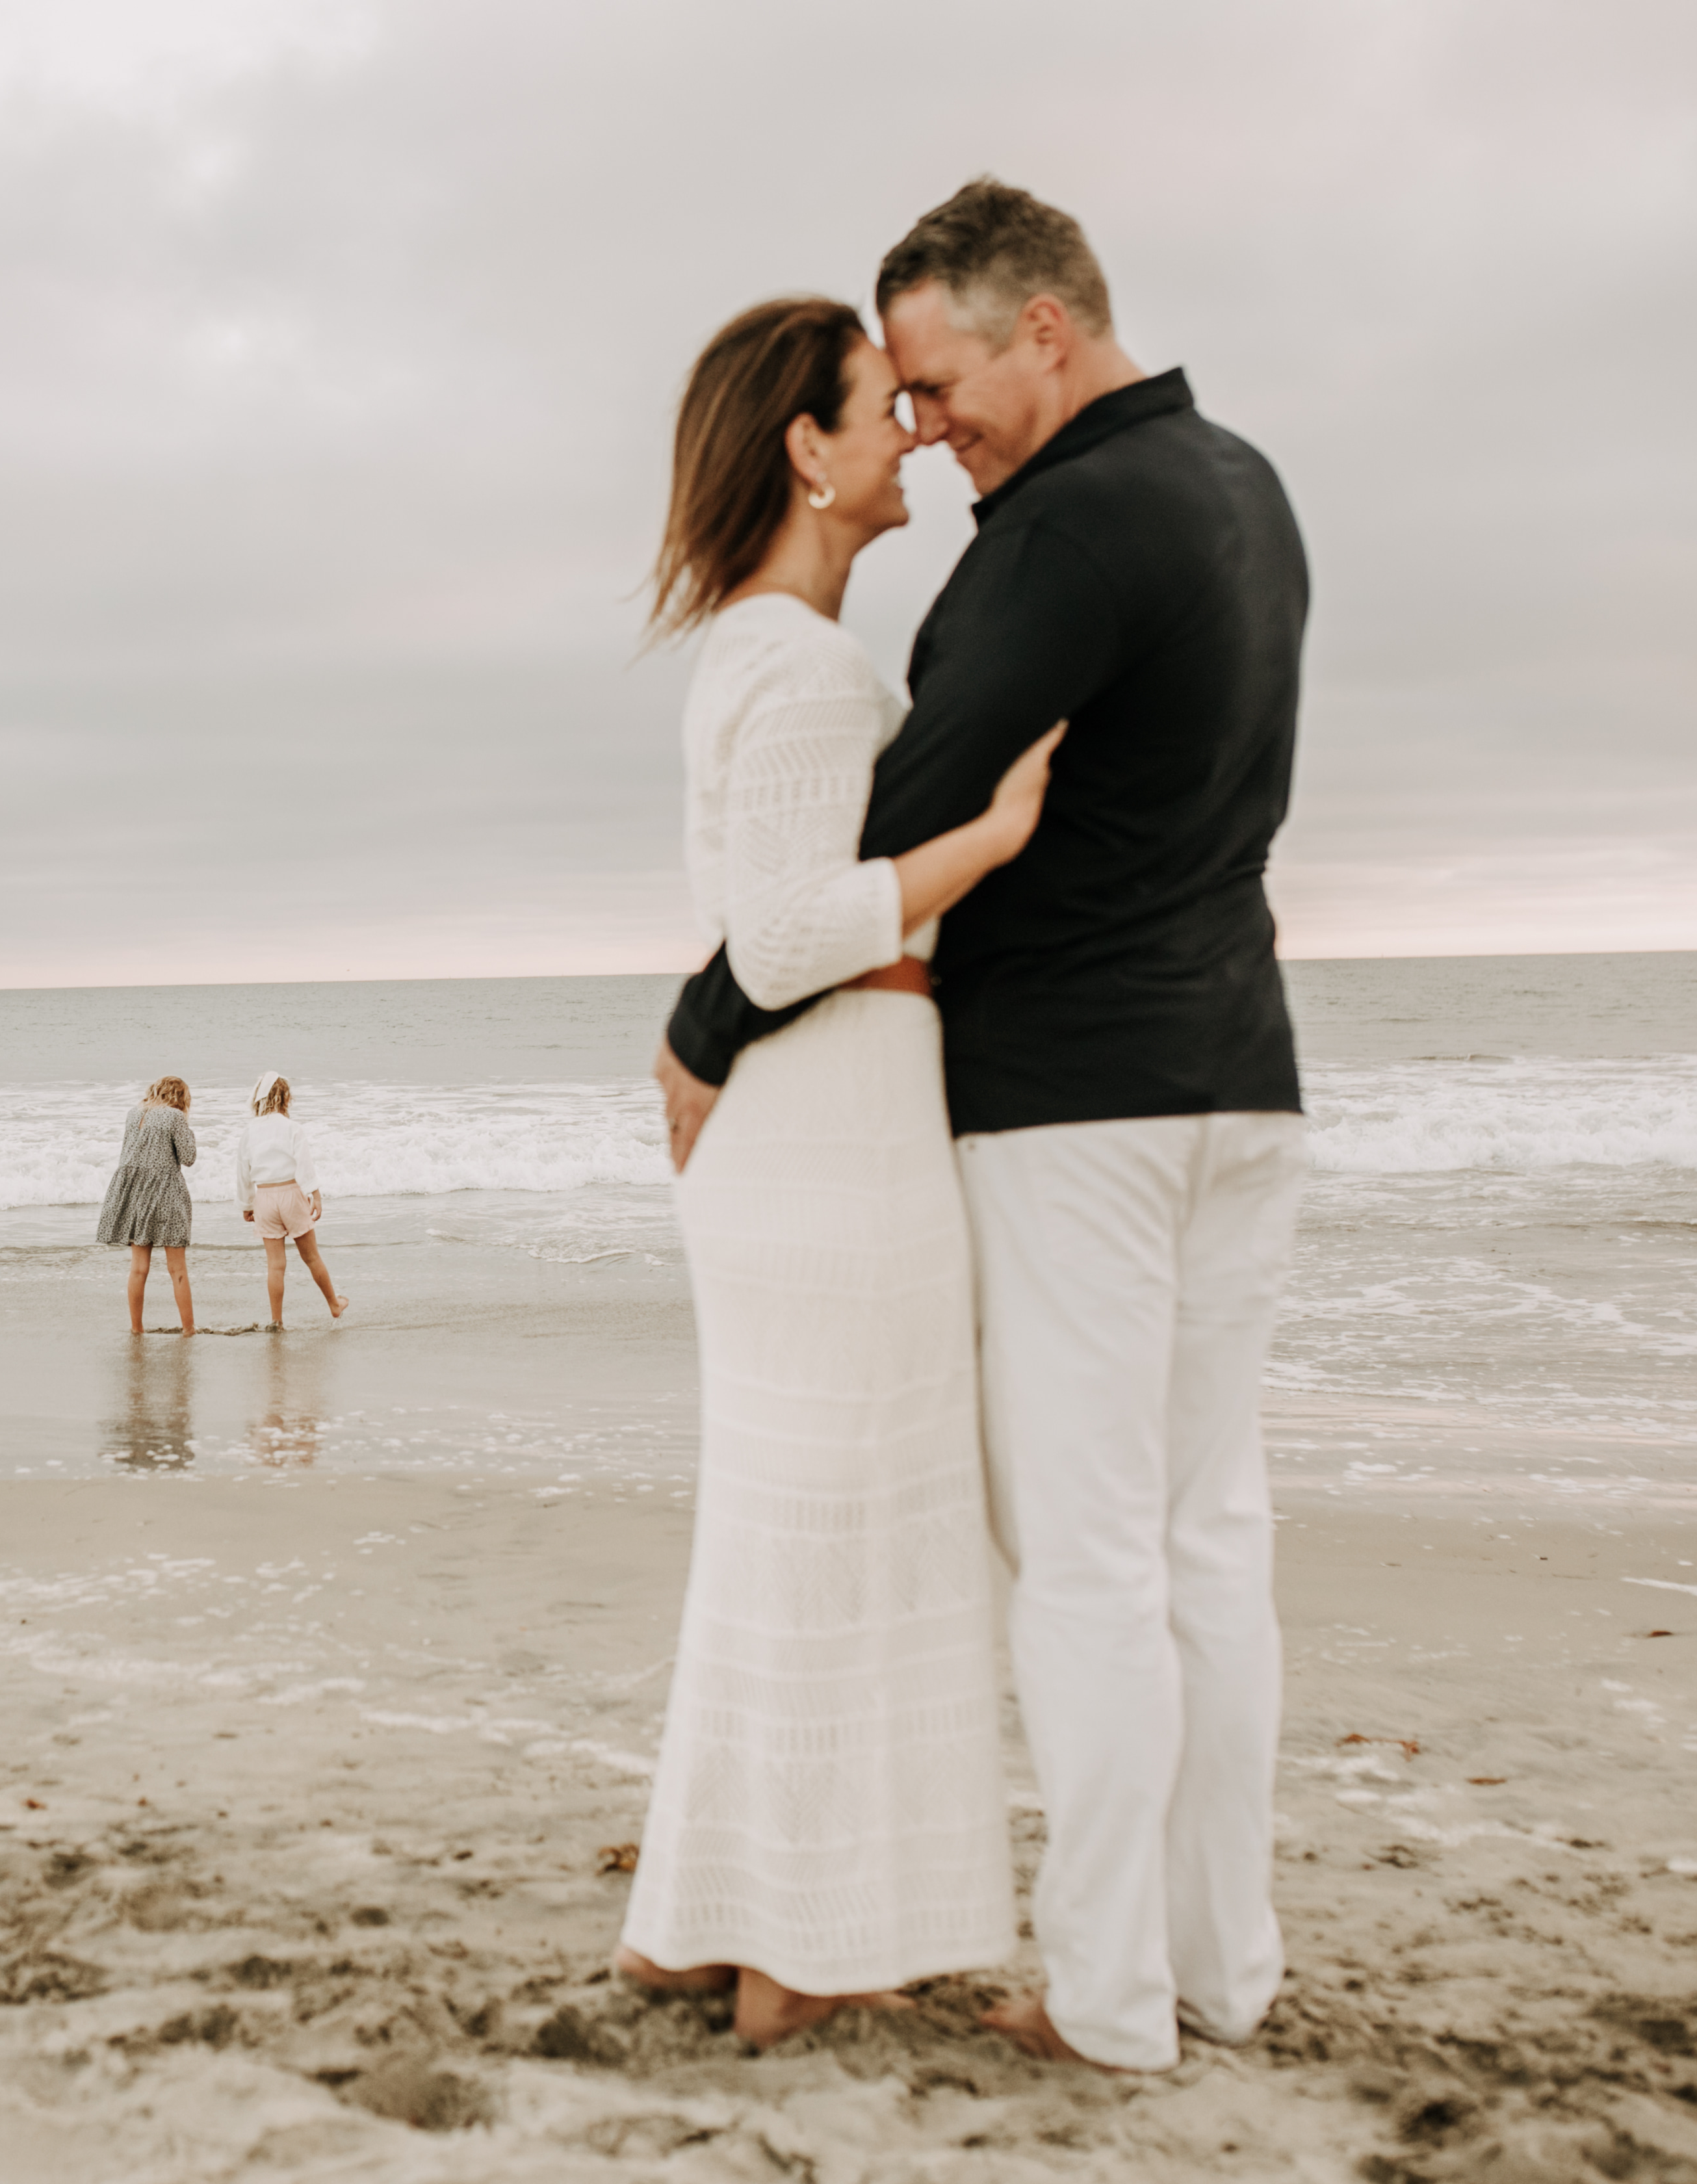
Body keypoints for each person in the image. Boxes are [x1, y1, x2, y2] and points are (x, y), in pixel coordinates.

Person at [655, 179, 1314, 2075]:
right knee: (1212, 1539)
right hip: (1243, 1081)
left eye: (937, 379)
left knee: (1098, 1558)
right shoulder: (1252, 492)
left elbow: (890, 823)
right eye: (902, 400)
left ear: (1045, 326)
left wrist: (703, 1025)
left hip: (1075, 1109)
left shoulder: (1059, 535)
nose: (930, 426)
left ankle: (1114, 2002)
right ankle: (1221, 1967)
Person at [613, 292, 1062, 2048]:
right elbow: (792, 930)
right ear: (807, 448)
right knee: (849, 1536)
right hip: (832, 1137)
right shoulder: (798, 663)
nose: (916, 429)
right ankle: (795, 1953)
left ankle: (704, 1919)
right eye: (885, 402)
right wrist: (995, 838)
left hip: (802, 1144)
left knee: (794, 1535)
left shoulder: (757, 648)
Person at [235, 1073, 346, 1329]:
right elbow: (304, 1164)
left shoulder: (249, 1131)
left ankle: (276, 1320)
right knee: (312, 1258)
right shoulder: (292, 1128)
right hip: (291, 1193)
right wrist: (315, 1194)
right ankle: (334, 1304)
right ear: (285, 1098)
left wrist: (246, 1204)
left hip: (264, 1197)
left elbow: (243, 1170)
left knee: (275, 1266)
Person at [96, 1075, 198, 1335]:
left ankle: (137, 1328)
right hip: (166, 1193)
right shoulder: (174, 1117)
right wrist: (187, 1127)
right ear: (180, 1098)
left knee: (139, 1267)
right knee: (177, 1268)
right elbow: (189, 1158)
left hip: (133, 1193)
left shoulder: (133, 1113)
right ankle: (188, 1329)